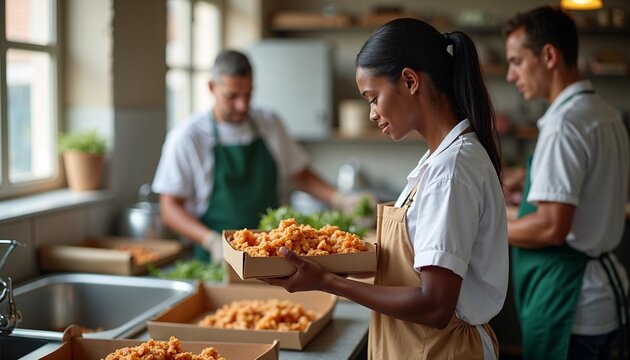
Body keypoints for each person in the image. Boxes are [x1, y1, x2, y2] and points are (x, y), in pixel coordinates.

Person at [263, 18, 508, 359]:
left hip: (442, 350)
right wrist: (332, 256)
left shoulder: (450, 172)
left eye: (373, 97)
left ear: (409, 81)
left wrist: (328, 283)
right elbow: (411, 263)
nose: (372, 114)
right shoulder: (437, 160)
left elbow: (435, 305)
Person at [152, 50, 365, 262]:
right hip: (216, 260)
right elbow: (169, 207)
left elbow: (302, 176)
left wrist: (340, 199)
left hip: (274, 256)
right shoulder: (188, 137)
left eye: (248, 94)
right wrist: (211, 241)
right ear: (211, 87)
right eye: (232, 96)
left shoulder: (269, 123)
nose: (242, 105)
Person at [504, 6, 630, 360]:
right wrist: (527, 181)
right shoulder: (605, 113)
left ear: (548, 56)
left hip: (570, 304)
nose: (512, 74)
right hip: (603, 296)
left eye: (516, 61)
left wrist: (486, 226)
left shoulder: (564, 124)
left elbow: (551, 228)